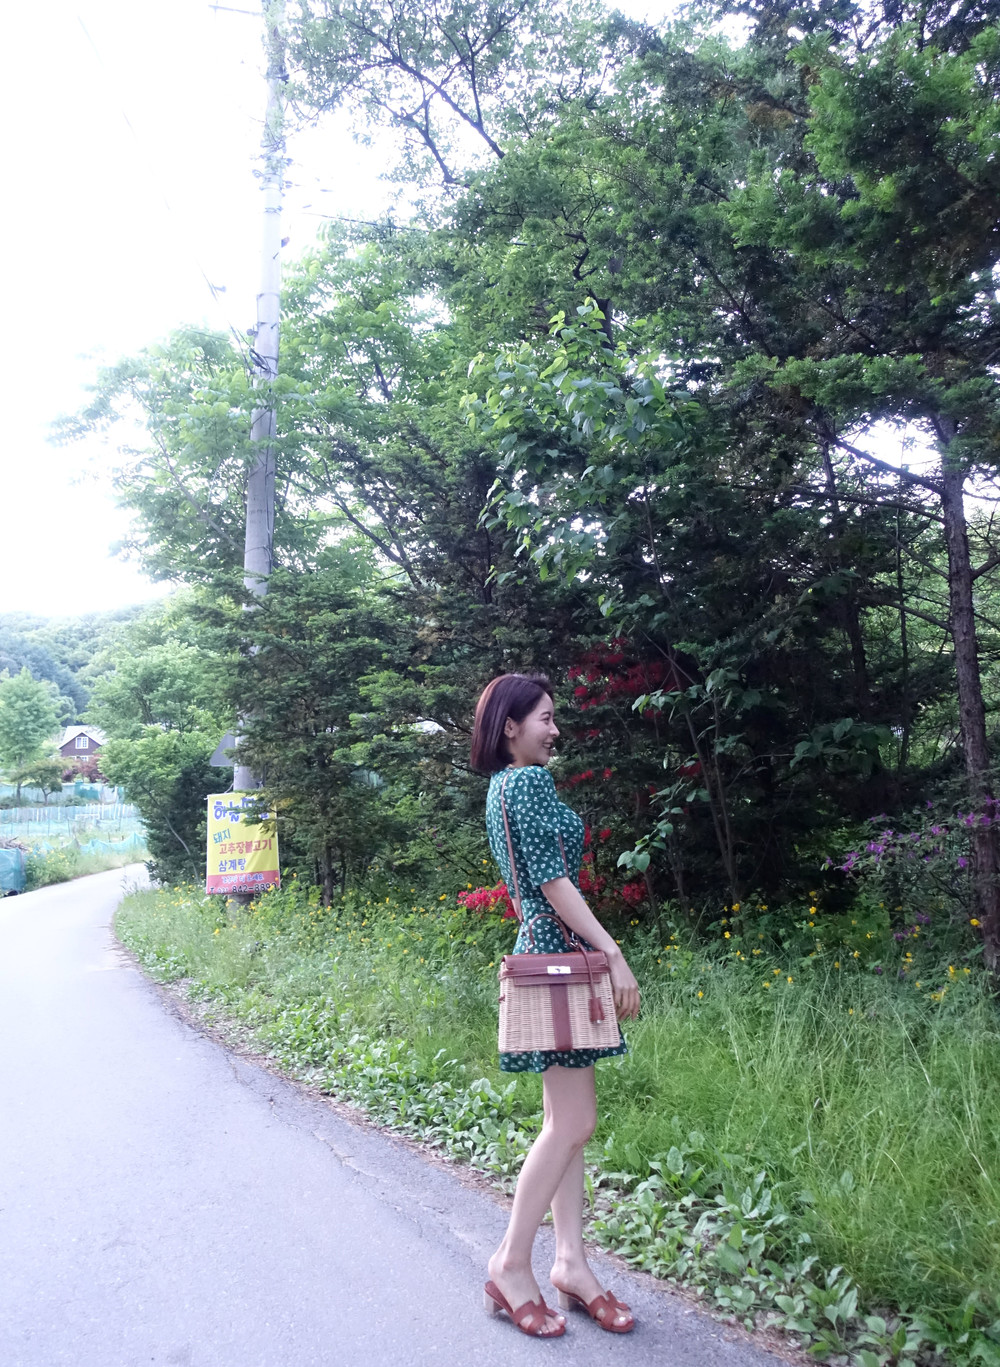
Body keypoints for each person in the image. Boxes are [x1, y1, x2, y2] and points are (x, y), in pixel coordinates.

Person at [470, 672, 641, 1339]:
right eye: (545, 717)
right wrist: (612, 950)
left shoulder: (500, 786)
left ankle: (571, 1262)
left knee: (564, 1121)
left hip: (543, 949)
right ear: (510, 726)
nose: (555, 729)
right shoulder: (528, 783)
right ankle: (511, 1263)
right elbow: (551, 881)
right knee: (573, 1120)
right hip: (559, 955)